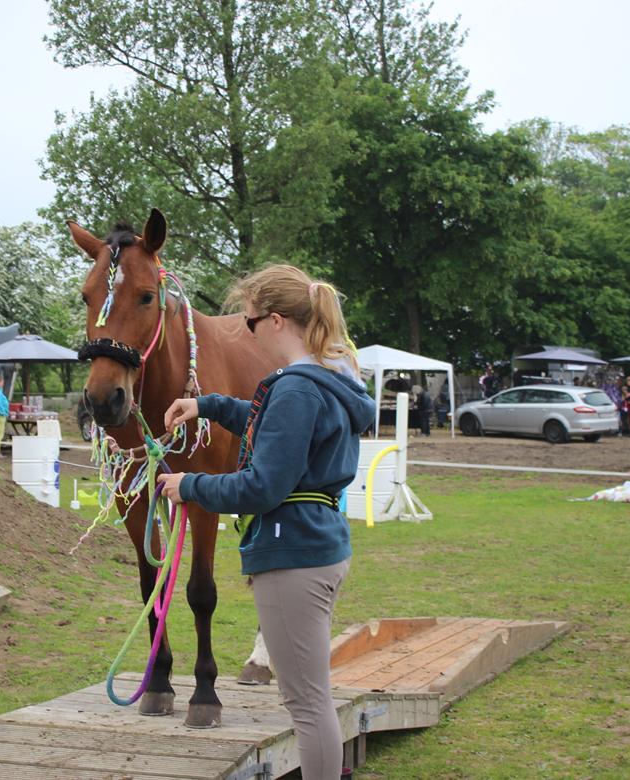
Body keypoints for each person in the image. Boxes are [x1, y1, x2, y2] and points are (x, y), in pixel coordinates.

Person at [156, 265, 374, 780]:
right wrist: (205, 405)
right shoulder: (323, 379)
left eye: (248, 323)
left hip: (292, 553)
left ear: (276, 321)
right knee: (309, 697)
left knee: (306, 703)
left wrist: (189, 486)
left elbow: (262, 487)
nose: (245, 331)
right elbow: (266, 423)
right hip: (315, 543)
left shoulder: (298, 389)